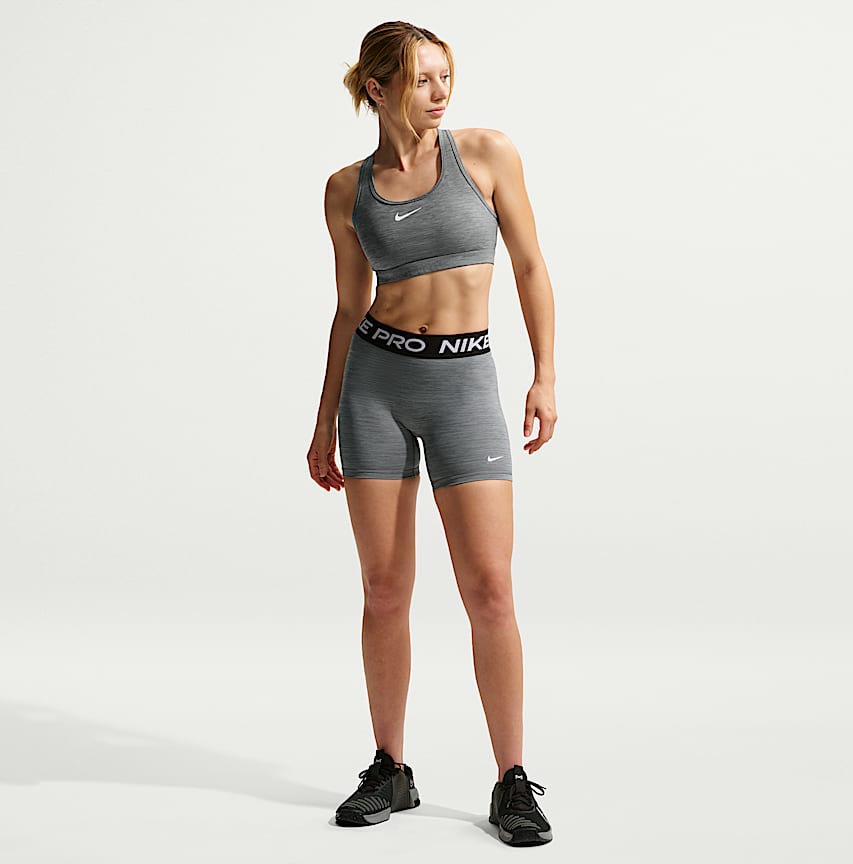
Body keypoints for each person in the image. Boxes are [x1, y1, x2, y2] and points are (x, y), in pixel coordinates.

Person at [306, 21, 557, 847]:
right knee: (384, 589)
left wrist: (545, 374)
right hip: (376, 388)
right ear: (378, 89)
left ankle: (512, 779)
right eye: (421, 79)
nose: (440, 91)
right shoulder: (346, 189)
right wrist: (323, 421)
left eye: (445, 75)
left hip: (464, 386)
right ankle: (390, 767)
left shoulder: (485, 154)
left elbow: (530, 266)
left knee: (490, 590)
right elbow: (349, 307)